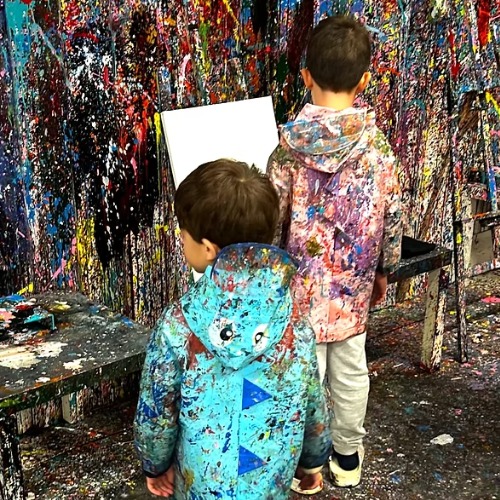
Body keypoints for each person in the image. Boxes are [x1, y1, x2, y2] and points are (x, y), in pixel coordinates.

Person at [134, 159, 331, 499]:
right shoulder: (292, 319)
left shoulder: (179, 324)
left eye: (184, 234)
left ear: (208, 248)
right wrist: (313, 461)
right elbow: (312, 396)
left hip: (203, 484)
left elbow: (157, 411)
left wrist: (154, 464)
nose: (182, 240)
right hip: (271, 480)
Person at [267, 15, 402, 492]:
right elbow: (393, 214)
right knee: (350, 375)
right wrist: (385, 269)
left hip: (298, 292)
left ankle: (307, 467)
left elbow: (271, 220)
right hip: (353, 290)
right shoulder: (378, 149)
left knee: (302, 379)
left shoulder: (285, 152)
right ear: (364, 81)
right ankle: (347, 457)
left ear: (305, 76)